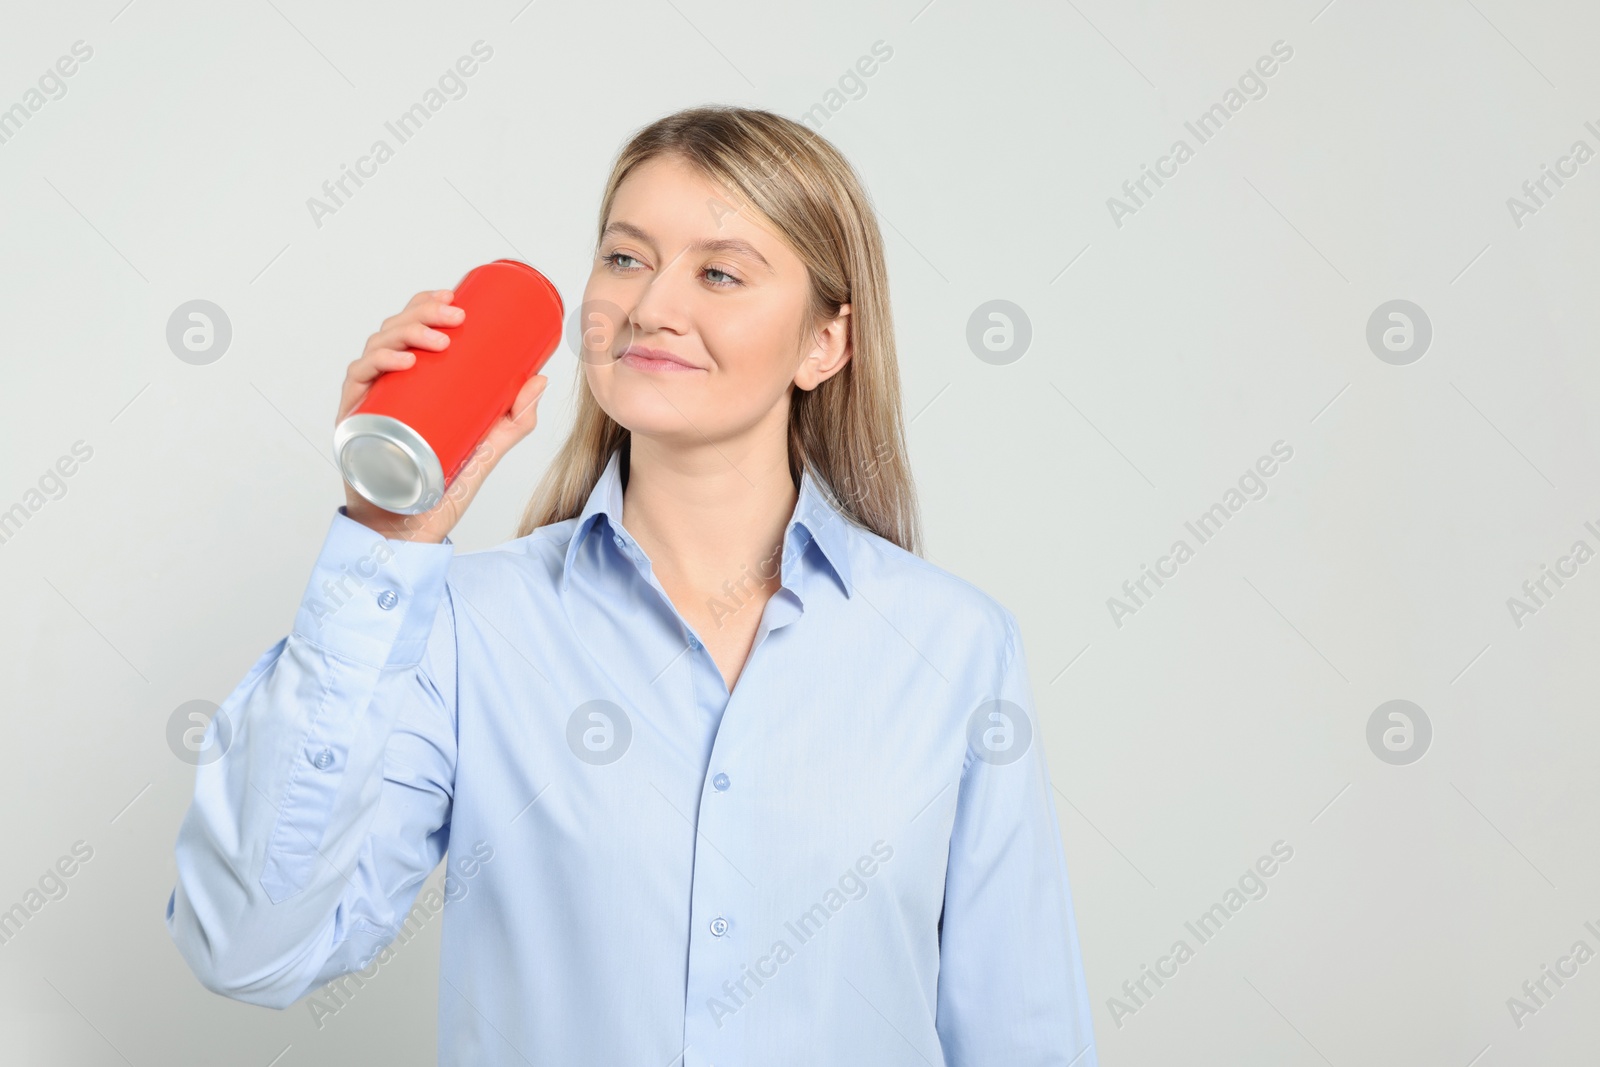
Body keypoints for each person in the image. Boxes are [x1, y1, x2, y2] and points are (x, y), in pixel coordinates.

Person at [165, 104, 1098, 1066]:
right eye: (624, 258)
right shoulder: (468, 627)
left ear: (826, 342)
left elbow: (1023, 1032)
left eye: (720, 272)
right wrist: (385, 533)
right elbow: (248, 947)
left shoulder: (953, 647)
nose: (651, 306)